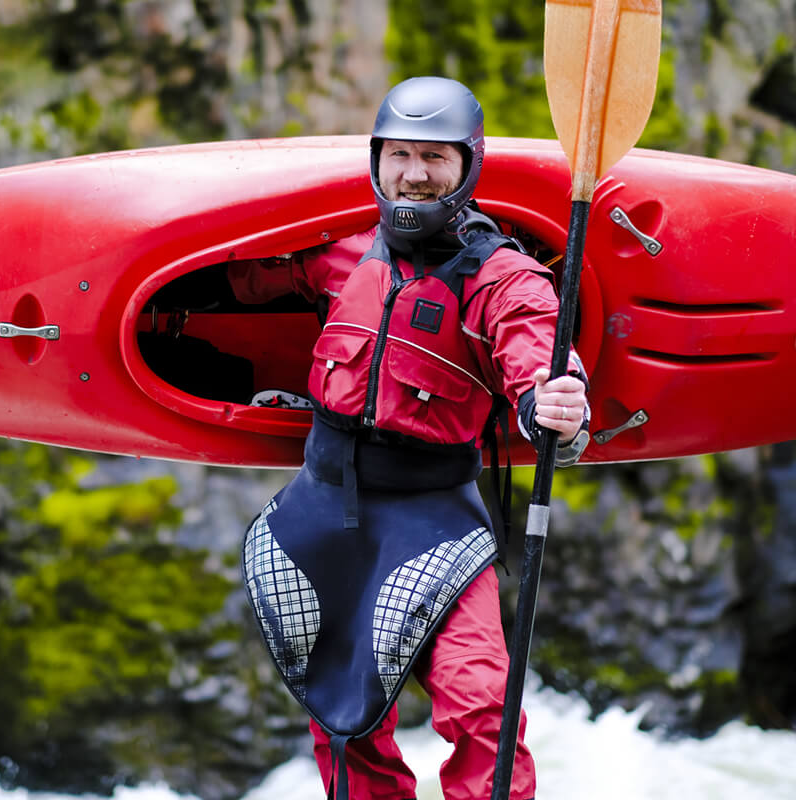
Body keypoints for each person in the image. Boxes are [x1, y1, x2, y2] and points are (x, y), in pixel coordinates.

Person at [239, 76, 589, 800]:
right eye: (399, 154)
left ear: (468, 166)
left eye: (435, 157)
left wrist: (554, 403)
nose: (414, 173)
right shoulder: (339, 252)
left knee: (484, 710)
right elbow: (238, 279)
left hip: (434, 523)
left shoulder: (501, 276)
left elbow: (536, 350)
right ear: (377, 160)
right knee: (343, 724)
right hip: (328, 513)